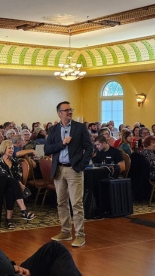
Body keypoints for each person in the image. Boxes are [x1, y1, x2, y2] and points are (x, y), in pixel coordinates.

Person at [44, 101, 93, 247]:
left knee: (76, 204)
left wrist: (81, 165)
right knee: (61, 202)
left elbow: (89, 148)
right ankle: (65, 231)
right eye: (66, 110)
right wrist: (62, 144)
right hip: (59, 169)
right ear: (59, 113)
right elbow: (47, 150)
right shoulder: (53, 130)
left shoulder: (80, 128)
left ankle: (80, 235)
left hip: (74, 169)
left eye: (70, 110)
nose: (69, 112)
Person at [0, 140, 35, 229]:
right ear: (4, 149)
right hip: (2, 186)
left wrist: (18, 182)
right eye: (9, 148)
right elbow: (4, 176)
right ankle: (23, 210)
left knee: (11, 190)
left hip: (12, 187)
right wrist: (18, 183)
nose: (12, 150)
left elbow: (18, 176)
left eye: (12, 148)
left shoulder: (16, 161)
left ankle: (9, 220)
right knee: (12, 183)